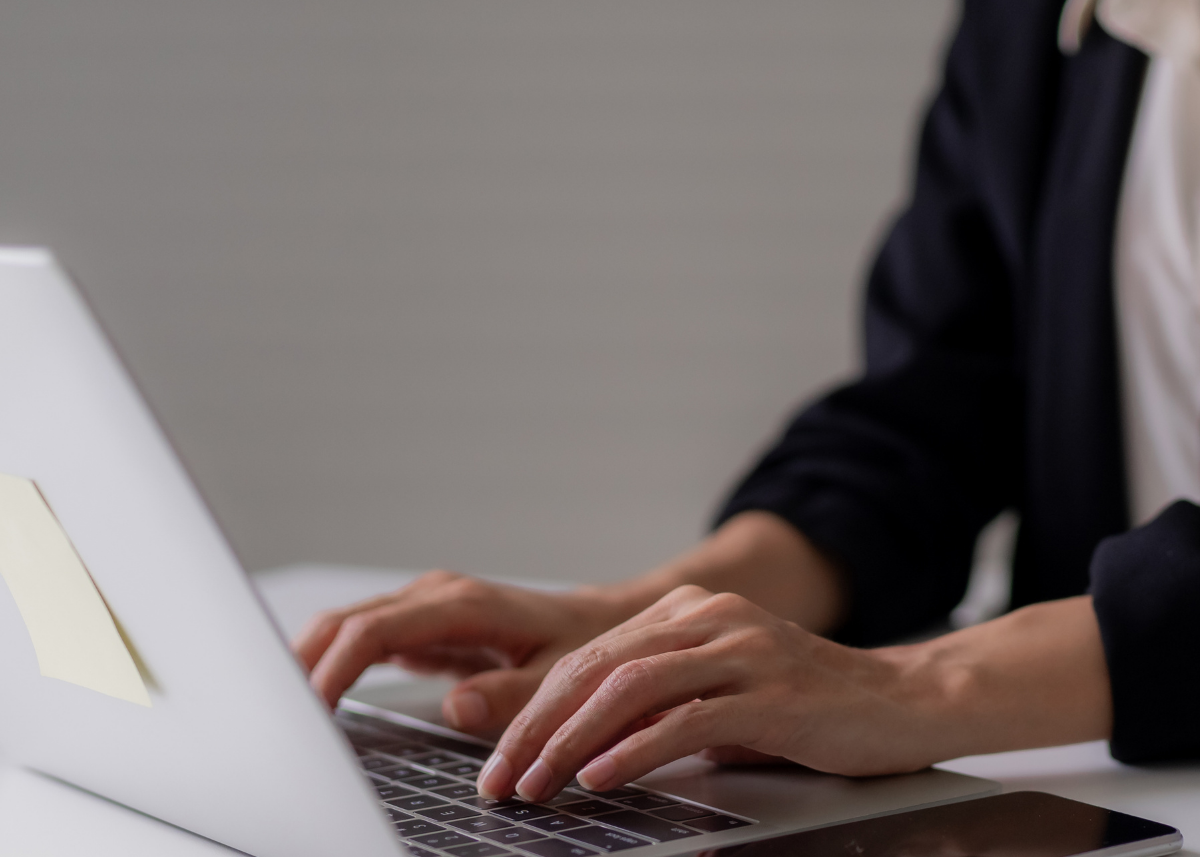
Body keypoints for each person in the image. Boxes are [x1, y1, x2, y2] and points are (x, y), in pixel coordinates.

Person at [296, 0, 1200, 805]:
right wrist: (649, 616)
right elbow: (934, 412)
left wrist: (919, 689)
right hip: (1116, 803)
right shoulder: (1031, 25)